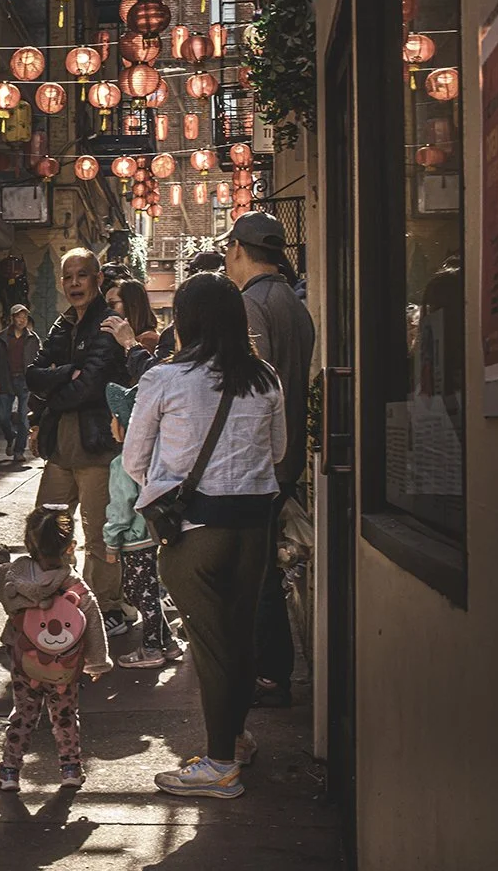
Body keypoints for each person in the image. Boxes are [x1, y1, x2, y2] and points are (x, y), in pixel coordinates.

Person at [123, 271, 285, 800]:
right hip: (255, 526)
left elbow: (134, 460)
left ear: (185, 322)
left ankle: (219, 765)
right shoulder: (265, 378)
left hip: (194, 532)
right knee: (239, 638)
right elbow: (279, 453)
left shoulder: (165, 379)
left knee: (212, 648)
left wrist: (168, 487)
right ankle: (234, 740)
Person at [222, 211, 316, 710]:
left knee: (254, 572)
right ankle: (271, 669)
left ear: (238, 248)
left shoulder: (251, 304)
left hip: (263, 457)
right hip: (288, 452)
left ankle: (270, 674)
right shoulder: (292, 302)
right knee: (262, 569)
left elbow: (255, 391)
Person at [25, 249, 129, 631]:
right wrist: (64, 374)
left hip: (97, 446)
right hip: (59, 447)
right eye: (67, 277)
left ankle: (104, 611)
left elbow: (90, 387)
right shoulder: (62, 324)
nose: (73, 284)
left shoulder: (109, 323)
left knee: (99, 534)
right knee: (46, 525)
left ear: (97, 280)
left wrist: (57, 386)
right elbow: (33, 375)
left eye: (81, 276)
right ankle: (49, 599)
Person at [0, 505, 111, 792]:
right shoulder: (74, 584)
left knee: (23, 713)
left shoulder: (14, 575)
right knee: (64, 714)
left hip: (23, 659)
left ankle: (10, 772)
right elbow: (92, 622)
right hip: (64, 664)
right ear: (70, 547)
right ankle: (70, 769)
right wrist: (97, 663)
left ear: (29, 545)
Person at [104, 383, 180, 669]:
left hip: (134, 539)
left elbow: (121, 508)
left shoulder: (121, 463)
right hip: (156, 535)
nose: (110, 424)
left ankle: (151, 649)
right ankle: (167, 643)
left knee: (140, 592)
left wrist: (111, 541)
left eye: (113, 418)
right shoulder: (157, 457)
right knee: (149, 590)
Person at [0, 305, 40, 464]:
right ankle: (11, 437)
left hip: (25, 382)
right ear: (12, 318)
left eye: (25, 317)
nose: (22, 320)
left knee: (24, 418)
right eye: (19, 316)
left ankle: (19, 451)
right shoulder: (2, 338)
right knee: (3, 417)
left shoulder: (33, 339)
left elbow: (39, 361)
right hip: (6, 380)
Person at [110, 279, 161, 353]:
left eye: (112, 304)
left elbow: (141, 362)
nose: (107, 310)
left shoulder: (149, 339)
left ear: (131, 304)